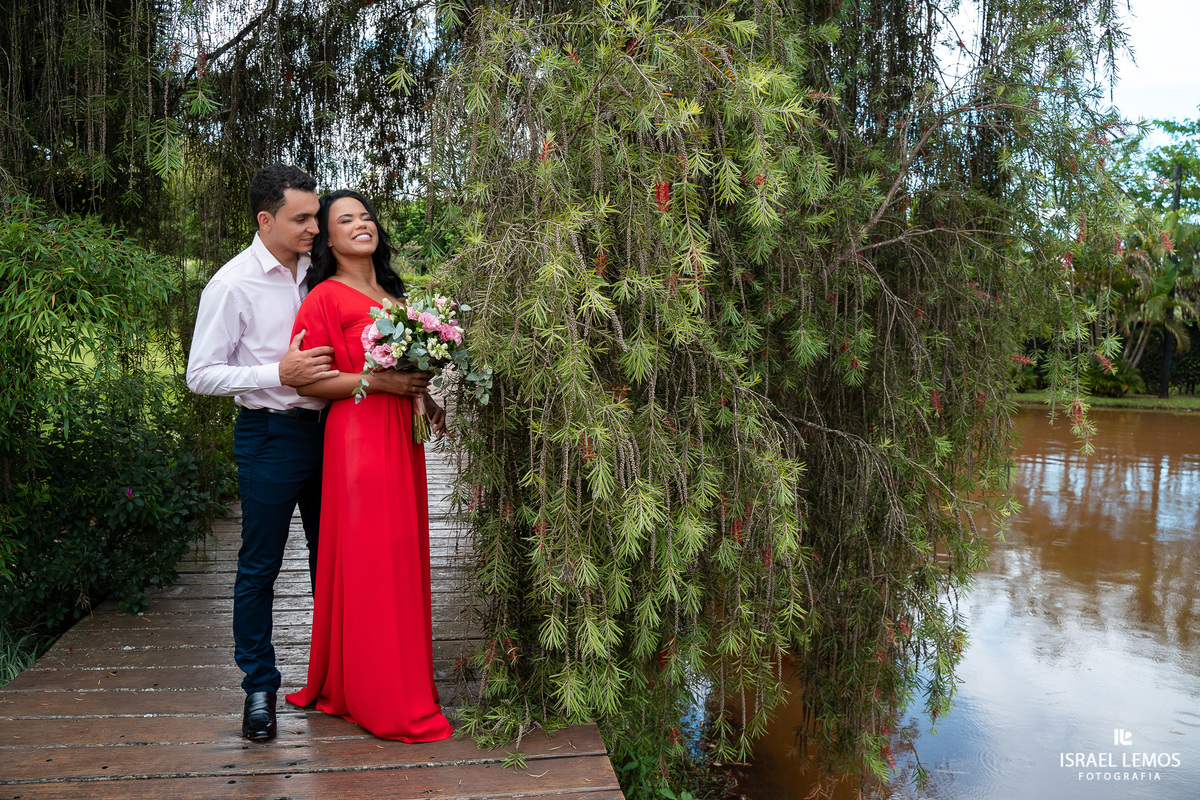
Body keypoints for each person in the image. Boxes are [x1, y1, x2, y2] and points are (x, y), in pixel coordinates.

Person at [283, 189, 453, 743]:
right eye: (345, 219)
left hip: (401, 436)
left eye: (366, 216)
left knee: (400, 552)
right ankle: (380, 694)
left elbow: (405, 371)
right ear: (326, 239)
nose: (361, 224)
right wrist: (379, 382)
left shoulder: (390, 292)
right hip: (357, 437)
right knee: (372, 556)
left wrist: (423, 397)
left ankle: (387, 676)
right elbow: (308, 379)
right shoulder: (323, 299)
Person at [186, 164, 338, 742]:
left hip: (332, 435)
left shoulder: (320, 269)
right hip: (270, 435)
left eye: (315, 216)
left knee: (335, 560)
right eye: (301, 218)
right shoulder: (232, 284)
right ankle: (259, 687)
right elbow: (201, 375)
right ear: (265, 219)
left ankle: (336, 678)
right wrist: (278, 371)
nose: (312, 227)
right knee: (260, 567)